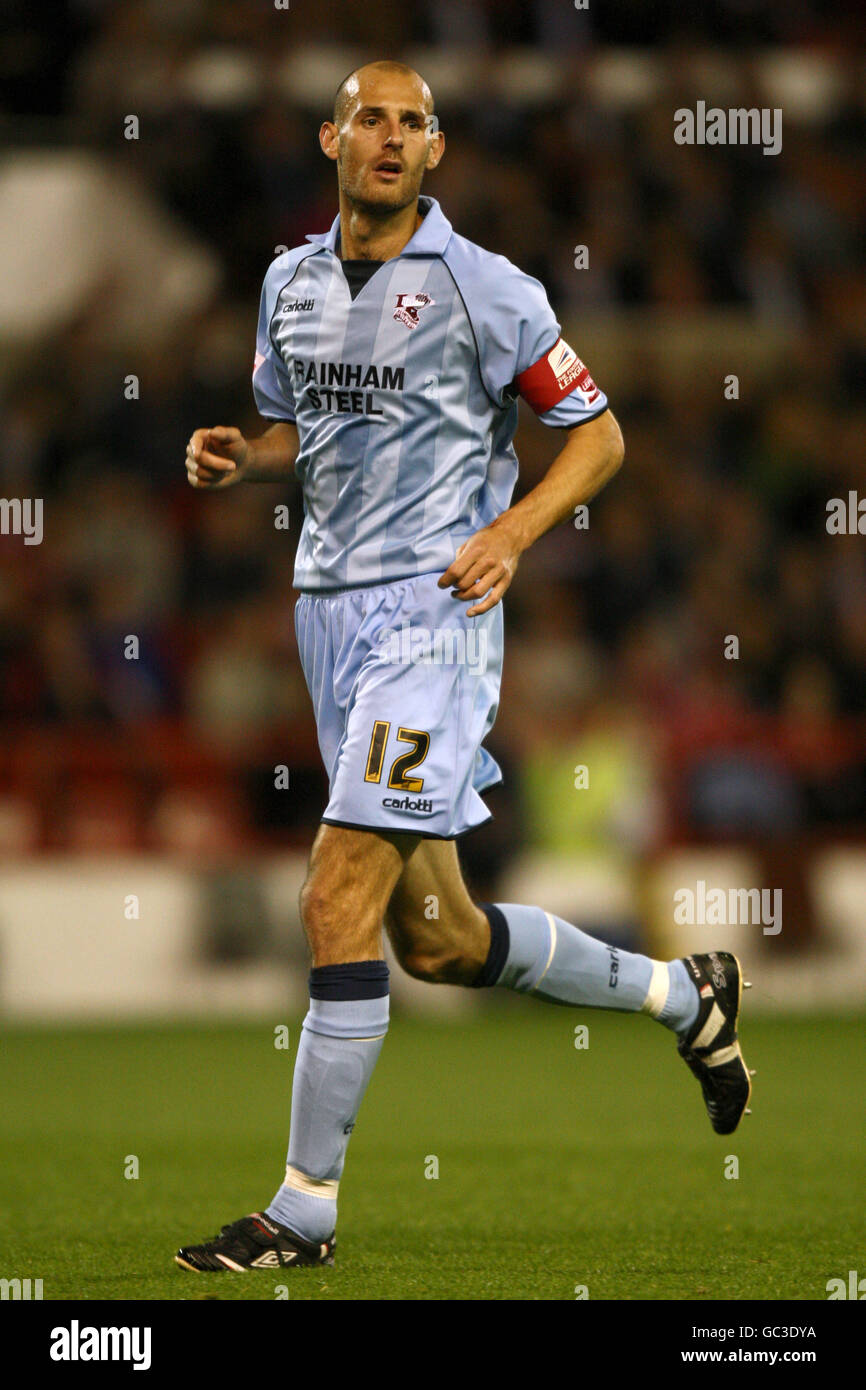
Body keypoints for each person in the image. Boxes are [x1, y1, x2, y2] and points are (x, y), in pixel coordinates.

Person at [176, 60, 751, 1274]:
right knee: (434, 936)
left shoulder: (486, 290)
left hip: (432, 625)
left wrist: (509, 532)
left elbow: (596, 436)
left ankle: (303, 1211)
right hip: (326, 618)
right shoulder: (287, 281)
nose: (390, 138)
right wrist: (246, 459)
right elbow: (303, 432)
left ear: (435, 152)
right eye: (370, 118)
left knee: (334, 895)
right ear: (330, 136)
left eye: (414, 123)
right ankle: (682, 998)